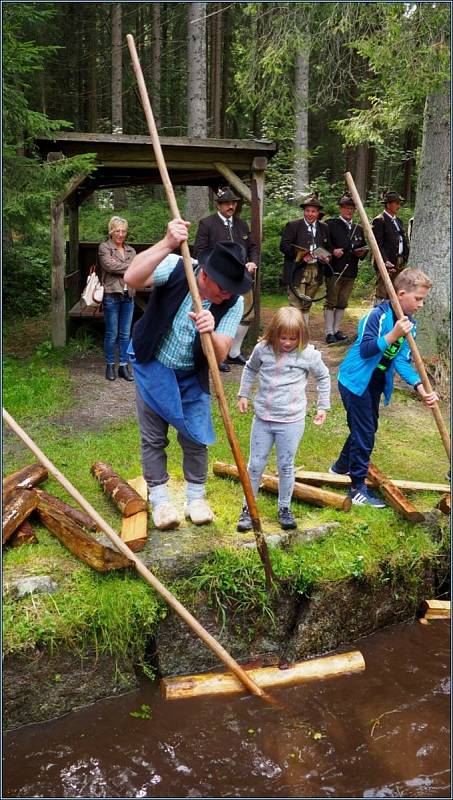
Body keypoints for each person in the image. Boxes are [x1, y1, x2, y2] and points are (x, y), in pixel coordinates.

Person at [124, 218, 253, 531]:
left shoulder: (232, 302)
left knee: (196, 437)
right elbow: (131, 277)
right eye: (224, 289)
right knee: (154, 438)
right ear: (206, 275)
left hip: (190, 373)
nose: (227, 295)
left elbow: (221, 353)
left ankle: (196, 497)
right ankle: (160, 500)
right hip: (153, 363)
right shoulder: (177, 265)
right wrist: (167, 242)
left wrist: (211, 331)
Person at [330, 268, 439, 507]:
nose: (421, 305)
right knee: (364, 431)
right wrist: (393, 334)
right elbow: (366, 349)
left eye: (423, 300)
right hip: (355, 380)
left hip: (375, 383)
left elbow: (401, 360)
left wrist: (420, 387)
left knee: (366, 427)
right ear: (400, 294)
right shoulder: (376, 316)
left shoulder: (410, 325)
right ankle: (357, 487)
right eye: (418, 299)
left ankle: (339, 467)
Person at [236, 306, 330, 532]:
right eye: (283, 337)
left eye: (293, 338)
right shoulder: (263, 349)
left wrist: (323, 406)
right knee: (255, 464)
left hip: (291, 421)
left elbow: (324, 377)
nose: (287, 343)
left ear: (301, 336)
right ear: (274, 333)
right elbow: (249, 370)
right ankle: (248, 508)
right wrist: (243, 394)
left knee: (286, 466)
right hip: (263, 419)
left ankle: (284, 508)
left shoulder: (308, 354)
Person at [193, 187, 258, 372]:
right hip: (218, 281)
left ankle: (234, 351)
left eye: (233, 203)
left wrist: (253, 262)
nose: (231, 206)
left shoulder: (241, 224)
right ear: (219, 205)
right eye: (227, 203)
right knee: (219, 316)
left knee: (247, 314)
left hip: (241, 277)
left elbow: (252, 246)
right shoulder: (207, 224)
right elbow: (199, 250)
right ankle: (218, 354)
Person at [279, 193, 332, 329]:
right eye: (307, 210)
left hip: (315, 270)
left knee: (307, 304)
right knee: (296, 305)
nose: (310, 214)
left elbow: (328, 248)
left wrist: (326, 257)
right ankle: (295, 336)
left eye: (313, 211)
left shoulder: (324, 227)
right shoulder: (293, 225)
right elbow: (284, 246)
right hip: (297, 271)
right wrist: (301, 255)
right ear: (304, 211)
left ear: (318, 212)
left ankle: (304, 336)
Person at [324, 194, 368, 344]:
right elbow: (323, 245)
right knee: (331, 301)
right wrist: (333, 251)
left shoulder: (359, 229)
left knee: (342, 302)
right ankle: (329, 332)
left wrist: (361, 252)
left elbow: (363, 246)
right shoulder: (330, 224)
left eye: (351, 208)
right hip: (334, 269)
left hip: (351, 270)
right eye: (346, 208)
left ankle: (336, 330)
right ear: (340, 209)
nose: (349, 211)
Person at [98, 216, 136, 382]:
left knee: (125, 334)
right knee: (111, 333)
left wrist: (125, 267)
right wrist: (131, 266)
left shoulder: (131, 250)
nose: (121, 234)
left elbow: (136, 268)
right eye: (117, 231)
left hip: (129, 295)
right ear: (111, 231)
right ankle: (110, 365)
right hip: (111, 295)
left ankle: (123, 366)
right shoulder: (104, 247)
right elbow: (109, 266)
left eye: (123, 231)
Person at [371, 191, 409, 303]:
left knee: (395, 292)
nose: (399, 206)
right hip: (385, 262)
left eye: (399, 203)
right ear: (388, 205)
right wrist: (385, 261)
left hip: (399, 261)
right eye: (396, 203)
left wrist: (405, 258)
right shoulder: (379, 220)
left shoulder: (398, 221)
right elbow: (377, 245)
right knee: (382, 291)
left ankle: (390, 317)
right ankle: (377, 316)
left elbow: (403, 241)